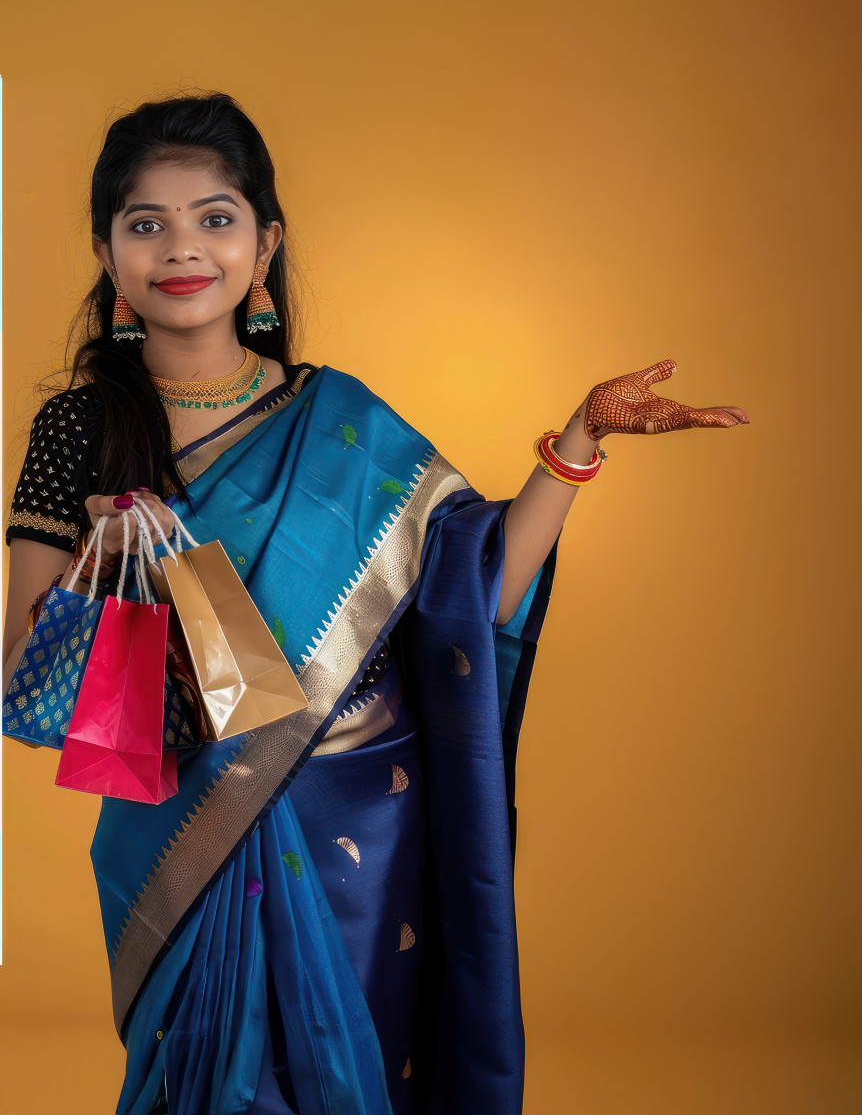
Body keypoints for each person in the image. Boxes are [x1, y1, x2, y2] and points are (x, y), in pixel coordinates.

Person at [2, 92, 749, 1115]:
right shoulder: (77, 429)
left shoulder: (338, 417)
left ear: (263, 247)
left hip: (365, 822)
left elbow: (474, 591)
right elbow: (25, 669)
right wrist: (114, 564)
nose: (184, 248)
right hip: (185, 827)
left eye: (215, 218)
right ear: (106, 251)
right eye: (147, 224)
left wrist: (578, 440)